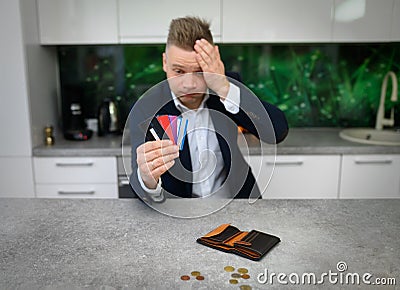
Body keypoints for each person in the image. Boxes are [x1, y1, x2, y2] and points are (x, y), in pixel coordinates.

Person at [129, 16, 288, 201]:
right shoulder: (146, 108)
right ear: (165, 62)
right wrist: (147, 180)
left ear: (214, 60)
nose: (189, 84)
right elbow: (138, 186)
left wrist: (224, 87)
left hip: (238, 205)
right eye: (178, 71)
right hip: (181, 214)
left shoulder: (225, 86)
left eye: (199, 71)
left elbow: (277, 131)